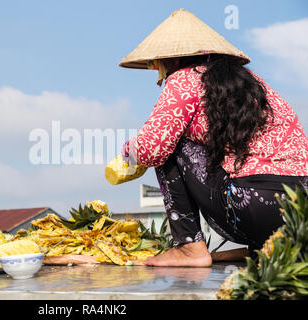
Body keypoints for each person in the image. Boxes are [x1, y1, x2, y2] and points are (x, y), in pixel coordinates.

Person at [119, 9, 308, 267]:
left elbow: (152, 148)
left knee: (169, 146)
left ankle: (189, 248)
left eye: (157, 64)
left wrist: (128, 151)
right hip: (300, 214)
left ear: (170, 60)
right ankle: (265, 247)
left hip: (251, 206)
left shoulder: (184, 78)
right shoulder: (255, 83)